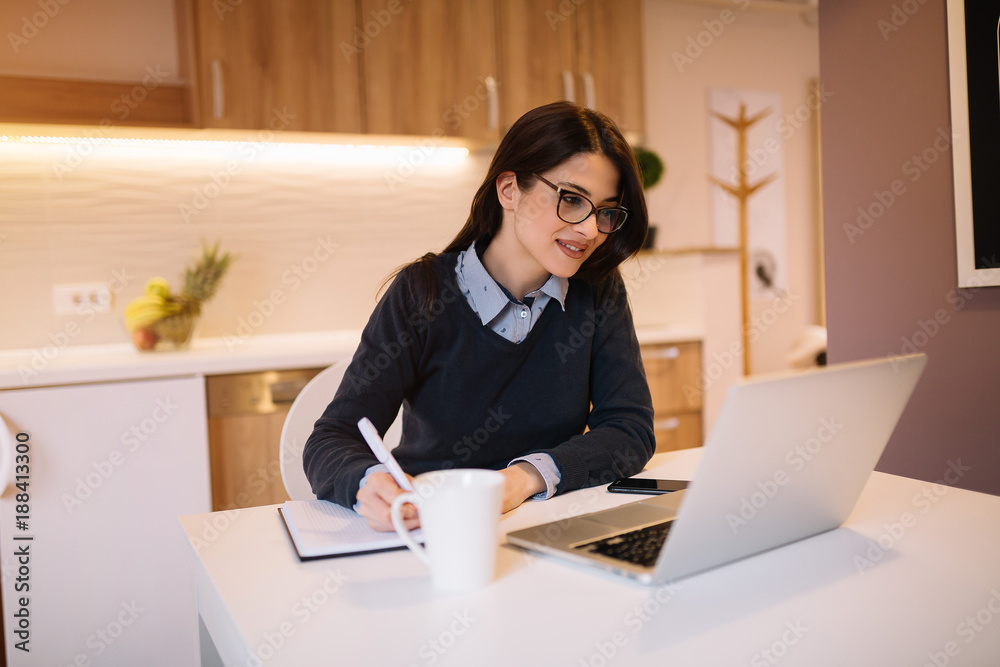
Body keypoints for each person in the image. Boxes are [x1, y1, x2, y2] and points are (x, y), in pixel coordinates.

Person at [303, 101, 655, 531]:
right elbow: (332, 438)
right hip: (430, 529)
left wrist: (519, 480)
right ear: (508, 190)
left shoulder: (598, 290)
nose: (589, 229)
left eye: (604, 211)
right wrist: (368, 481)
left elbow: (628, 428)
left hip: (548, 527)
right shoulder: (422, 292)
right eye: (571, 199)